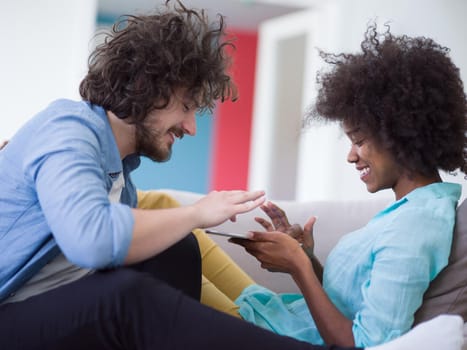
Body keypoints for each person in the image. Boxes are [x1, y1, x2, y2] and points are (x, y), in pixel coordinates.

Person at [0, 4, 464, 348]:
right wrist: (199, 212)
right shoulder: (69, 131)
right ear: (148, 91)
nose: (190, 125)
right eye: (186, 106)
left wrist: (300, 260)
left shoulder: (118, 167)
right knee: (128, 296)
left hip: (39, 306)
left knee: (175, 254)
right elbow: (94, 241)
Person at [229, 23, 467, 348]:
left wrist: (298, 266)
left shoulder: (417, 226)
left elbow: (364, 343)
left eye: (359, 140)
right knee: (186, 251)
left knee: (176, 260)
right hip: (276, 318)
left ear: (401, 134)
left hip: (273, 334)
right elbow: (354, 302)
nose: (351, 157)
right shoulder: (412, 210)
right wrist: (306, 258)